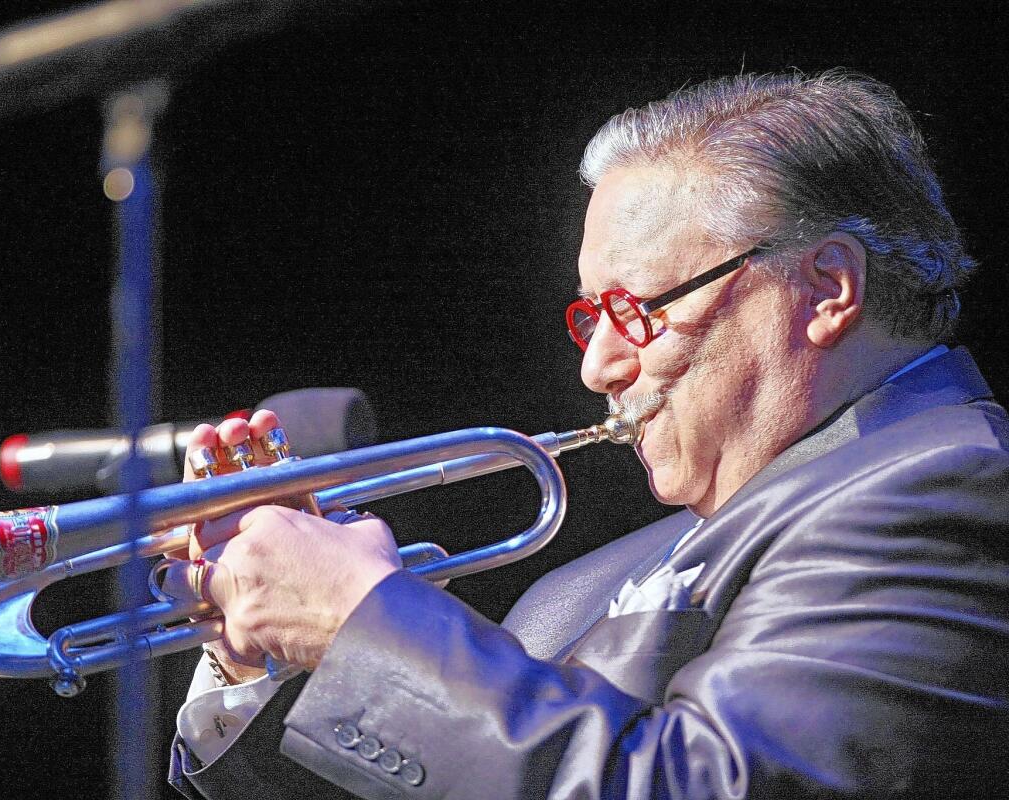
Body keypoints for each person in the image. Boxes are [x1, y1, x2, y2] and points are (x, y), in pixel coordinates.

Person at [166, 70, 1009, 799]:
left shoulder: (950, 485)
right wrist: (274, 653)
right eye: (590, 316)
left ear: (826, 288)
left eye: (637, 310)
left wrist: (366, 626)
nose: (598, 365)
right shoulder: (573, 592)